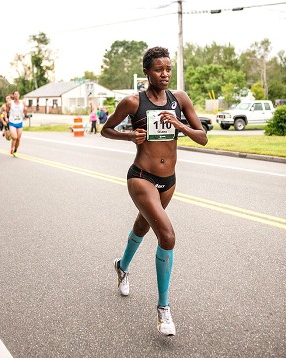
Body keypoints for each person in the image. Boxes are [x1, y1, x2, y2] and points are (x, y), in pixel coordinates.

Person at [101, 46, 207, 336]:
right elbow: (105, 130)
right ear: (146, 71)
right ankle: (163, 310)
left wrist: (180, 126)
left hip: (168, 180)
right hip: (141, 177)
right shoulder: (133, 102)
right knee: (167, 236)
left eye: (168, 69)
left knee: (142, 225)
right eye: (159, 69)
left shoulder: (180, 100)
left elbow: (203, 138)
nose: (165, 74)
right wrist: (128, 135)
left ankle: (122, 266)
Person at [6, 91, 27, 156]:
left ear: (19, 95)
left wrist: (25, 110)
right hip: (12, 122)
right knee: (14, 137)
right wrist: (6, 118)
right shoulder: (10, 103)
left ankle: (15, 151)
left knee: (18, 138)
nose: (16, 95)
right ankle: (11, 147)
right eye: (15, 94)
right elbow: (6, 110)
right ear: (13, 96)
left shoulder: (22, 102)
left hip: (19, 122)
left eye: (17, 94)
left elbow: (25, 111)